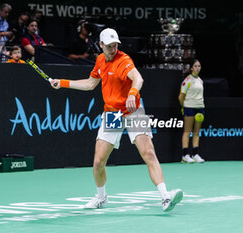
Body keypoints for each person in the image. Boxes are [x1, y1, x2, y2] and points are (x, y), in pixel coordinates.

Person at [49, 28, 183, 212]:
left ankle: (165, 197)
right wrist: (63, 83)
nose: (113, 49)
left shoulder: (124, 60)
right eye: (110, 46)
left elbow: (138, 78)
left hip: (133, 111)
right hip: (112, 114)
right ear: (101, 45)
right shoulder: (100, 61)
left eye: (115, 45)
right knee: (98, 162)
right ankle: (101, 198)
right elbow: (90, 84)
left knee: (149, 153)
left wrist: (133, 93)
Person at [178, 59, 205, 164]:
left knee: (197, 132)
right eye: (196, 66)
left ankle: (195, 154)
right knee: (187, 131)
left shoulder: (200, 80)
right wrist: (183, 107)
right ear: (191, 68)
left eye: (199, 66)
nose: (198, 68)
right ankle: (185, 155)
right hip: (189, 107)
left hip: (200, 107)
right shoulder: (187, 80)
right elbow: (181, 96)